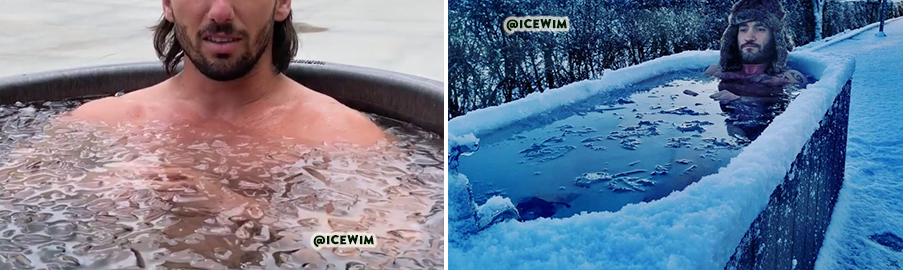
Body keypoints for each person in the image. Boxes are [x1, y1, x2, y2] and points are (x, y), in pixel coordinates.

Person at [66, 0, 385, 146]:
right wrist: (97, 190)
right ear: (167, 3)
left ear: (282, 3)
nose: (220, 12)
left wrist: (261, 219)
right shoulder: (99, 125)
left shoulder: (343, 137)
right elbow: (17, 202)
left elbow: (381, 243)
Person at [704, 0, 809, 104]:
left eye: (760, 29)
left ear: (775, 37)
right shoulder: (714, 72)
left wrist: (740, 100)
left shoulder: (789, 78)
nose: (749, 37)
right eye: (743, 30)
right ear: (733, 36)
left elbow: (800, 106)